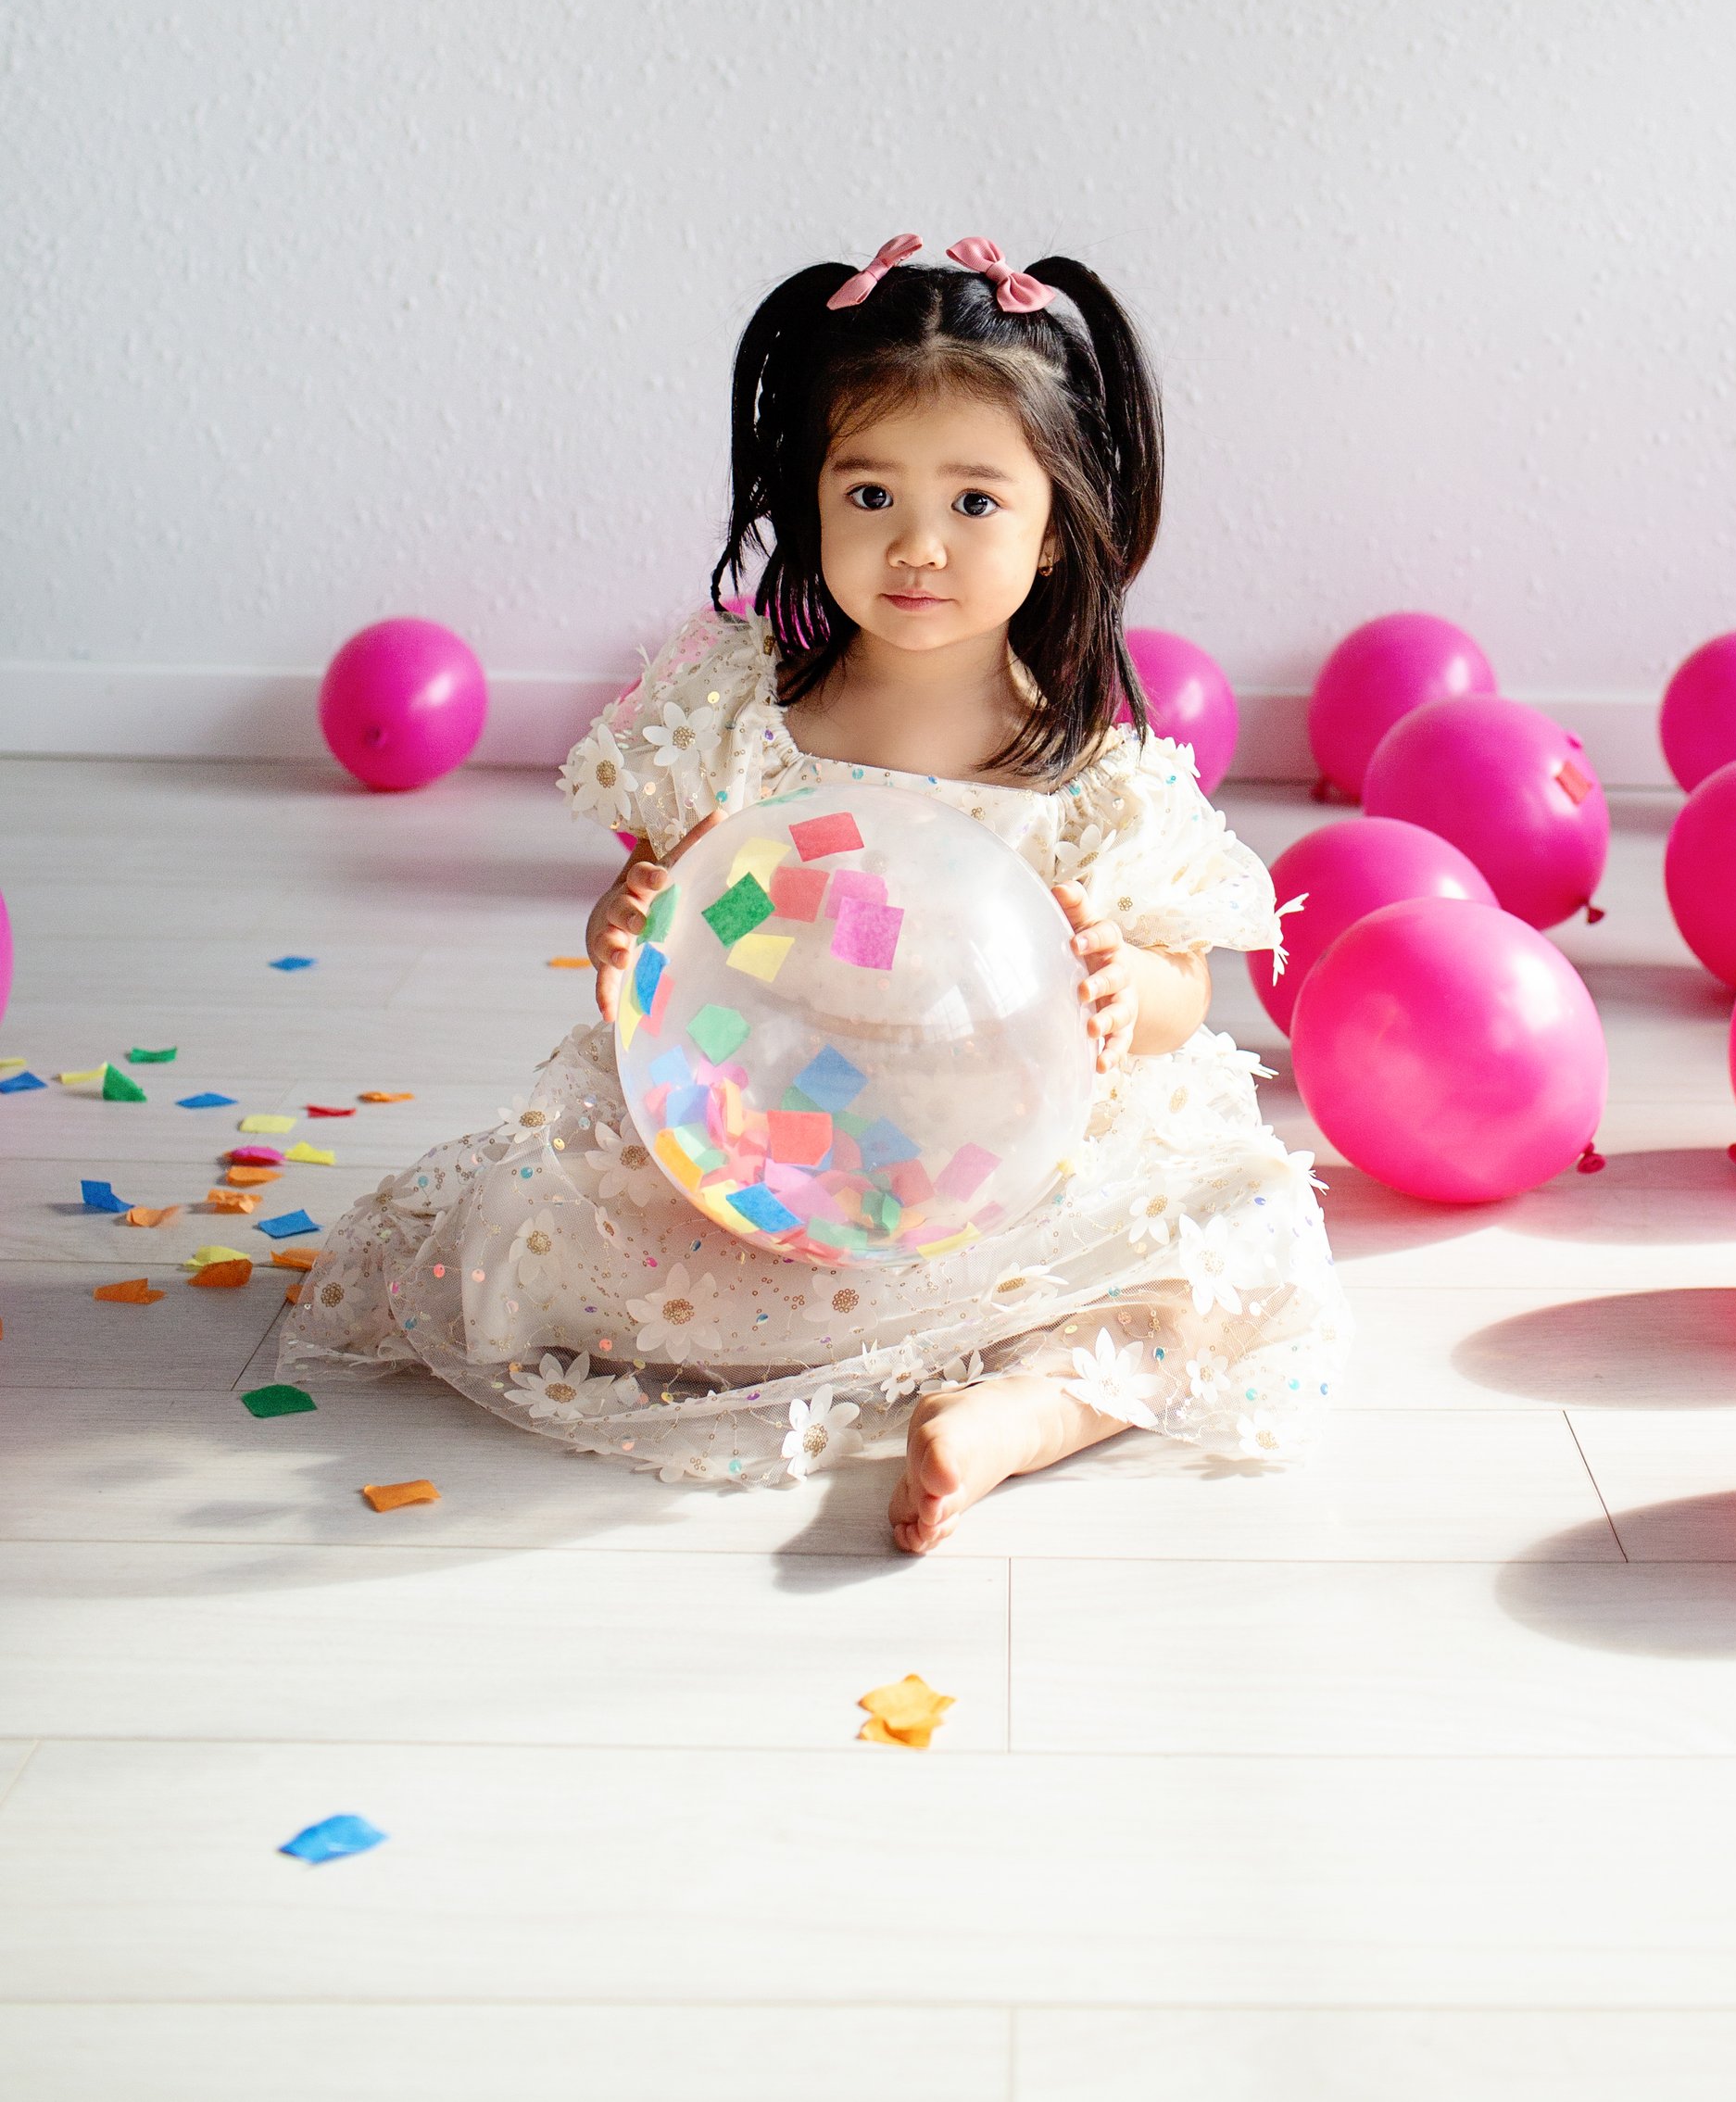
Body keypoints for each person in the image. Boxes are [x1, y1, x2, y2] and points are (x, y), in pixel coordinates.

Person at [284, 233, 1348, 1552]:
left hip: (1012, 1156)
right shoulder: (744, 722)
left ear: (1059, 530)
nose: (916, 544)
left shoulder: (1088, 773)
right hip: (769, 1148)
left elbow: (1186, 981)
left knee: (1232, 1237)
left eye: (974, 502)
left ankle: (1016, 1413)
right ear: (809, 499)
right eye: (868, 494)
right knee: (529, 1248)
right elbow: (663, 923)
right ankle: (869, 1332)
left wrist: (1133, 985)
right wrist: (621, 934)